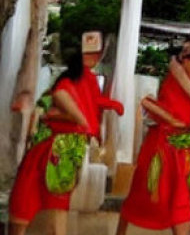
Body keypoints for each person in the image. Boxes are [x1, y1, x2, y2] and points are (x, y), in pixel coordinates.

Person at [8, 33, 124, 235]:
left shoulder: (71, 83)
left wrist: (47, 115)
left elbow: (79, 115)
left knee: (37, 197)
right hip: (64, 147)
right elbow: (80, 115)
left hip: (60, 147)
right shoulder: (69, 84)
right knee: (52, 202)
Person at [116, 35, 190, 235]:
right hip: (163, 147)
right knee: (143, 196)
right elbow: (147, 102)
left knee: (180, 201)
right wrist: (174, 122)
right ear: (187, 59)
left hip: (182, 149)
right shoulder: (173, 83)